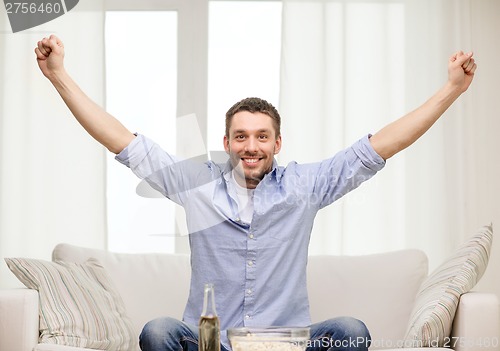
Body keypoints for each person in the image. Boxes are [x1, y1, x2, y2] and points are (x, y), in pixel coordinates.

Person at [35, 35, 477, 351]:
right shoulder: (198, 183)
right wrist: (58, 76)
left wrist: (452, 89)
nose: (252, 146)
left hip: (286, 345)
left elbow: (383, 144)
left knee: (351, 330)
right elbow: (121, 139)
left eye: (262, 137)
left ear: (277, 144)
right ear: (226, 144)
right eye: (241, 137)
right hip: (211, 344)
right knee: (158, 331)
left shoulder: (305, 187)